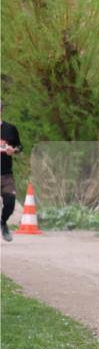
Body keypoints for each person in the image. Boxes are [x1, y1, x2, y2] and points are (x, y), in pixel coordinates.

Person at [1, 100, 23, 242]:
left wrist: (13, 150)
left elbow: (20, 147)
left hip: (6, 174)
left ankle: (3, 222)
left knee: (10, 202)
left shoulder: (10, 129)